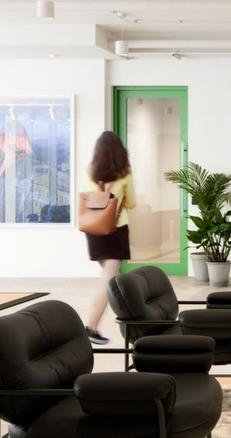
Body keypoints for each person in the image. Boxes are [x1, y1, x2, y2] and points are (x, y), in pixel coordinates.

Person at [83, 131, 136, 344]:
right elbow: (131, 202)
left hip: (93, 228)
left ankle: (131, 318)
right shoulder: (125, 173)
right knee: (108, 280)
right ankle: (90, 327)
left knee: (112, 278)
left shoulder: (89, 170)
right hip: (115, 229)